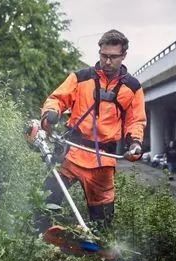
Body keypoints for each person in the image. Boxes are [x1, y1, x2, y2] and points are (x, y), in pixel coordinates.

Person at [34, 29, 147, 235]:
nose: (107, 61)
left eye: (113, 57)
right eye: (104, 55)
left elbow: (136, 121)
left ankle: (100, 256)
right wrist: (51, 113)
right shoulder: (80, 78)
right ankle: (36, 240)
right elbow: (57, 99)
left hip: (102, 163)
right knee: (44, 200)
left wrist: (135, 143)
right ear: (99, 52)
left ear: (123, 56)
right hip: (71, 154)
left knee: (102, 224)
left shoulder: (133, 88)